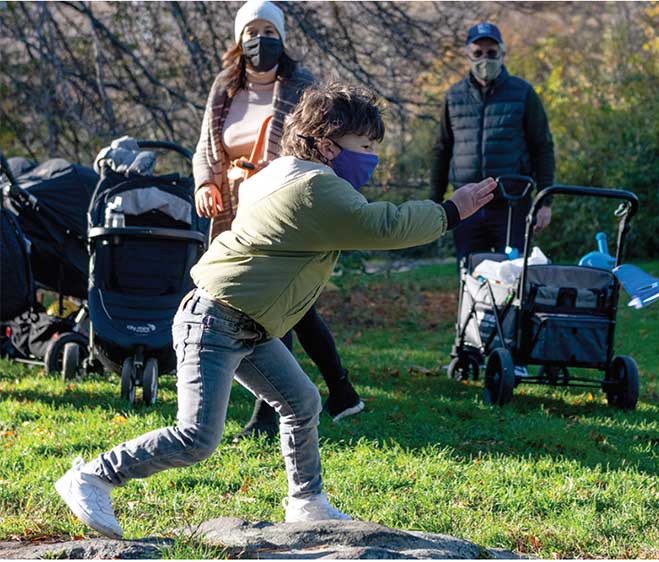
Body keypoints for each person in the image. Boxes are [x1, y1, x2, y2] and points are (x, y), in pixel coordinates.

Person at [54, 83, 497, 538]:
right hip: (215, 320)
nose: (372, 158)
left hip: (247, 324)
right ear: (326, 145)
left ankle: (306, 502)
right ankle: (92, 476)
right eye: (364, 147)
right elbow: (382, 224)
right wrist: (451, 210)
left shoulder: (276, 174)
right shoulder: (315, 187)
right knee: (198, 437)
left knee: (301, 402)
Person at [191, 0, 364, 440]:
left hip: (281, 207)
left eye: (269, 30)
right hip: (232, 211)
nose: (259, 40)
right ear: (238, 39)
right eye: (251, 31)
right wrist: (204, 185)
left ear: (282, 37)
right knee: (282, 305)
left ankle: (270, 413)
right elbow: (205, 149)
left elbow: (314, 144)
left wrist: (271, 174)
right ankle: (339, 390)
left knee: (277, 305)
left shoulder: (301, 87)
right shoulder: (225, 88)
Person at [430, 22, 556, 267]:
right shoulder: (454, 96)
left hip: (512, 204)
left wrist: (544, 202)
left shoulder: (523, 92)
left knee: (513, 276)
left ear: (502, 54)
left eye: (491, 53)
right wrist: (435, 204)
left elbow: (543, 147)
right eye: (478, 53)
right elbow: (442, 150)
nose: (484, 59)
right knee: (470, 278)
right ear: (467, 54)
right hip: (465, 205)